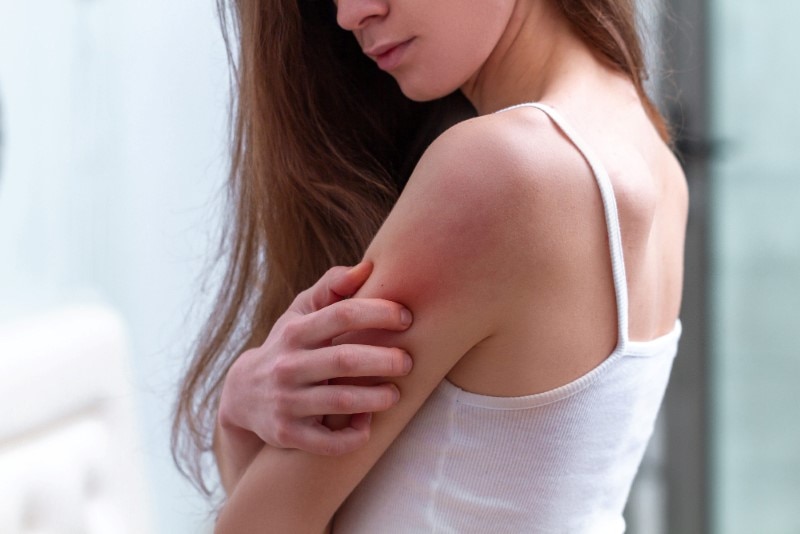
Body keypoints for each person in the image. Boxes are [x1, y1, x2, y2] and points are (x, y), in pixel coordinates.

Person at [173, 0, 688, 531]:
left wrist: (235, 411)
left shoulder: (501, 171)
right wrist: (241, 416)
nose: (351, 14)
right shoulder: (649, 153)